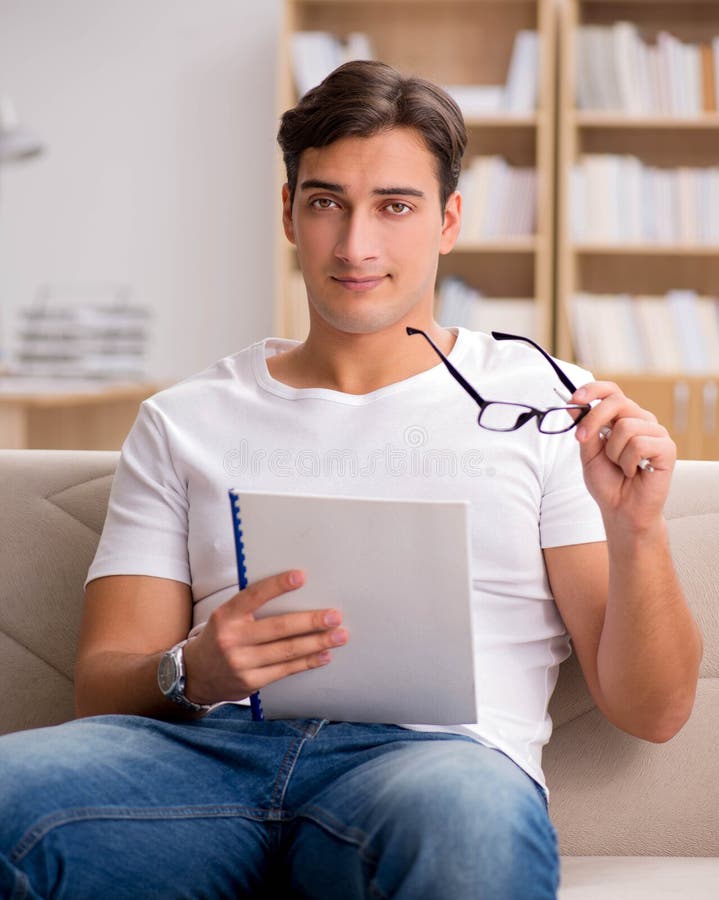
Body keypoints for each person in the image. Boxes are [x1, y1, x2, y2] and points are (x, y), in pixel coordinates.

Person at [0, 60, 702, 900]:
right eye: (326, 201)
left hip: (432, 769)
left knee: (470, 831)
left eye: (394, 207)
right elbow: (102, 685)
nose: (355, 244)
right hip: (202, 762)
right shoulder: (184, 418)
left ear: (446, 221)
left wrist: (637, 531)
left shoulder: (544, 408)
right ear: (289, 214)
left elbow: (653, 712)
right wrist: (193, 668)